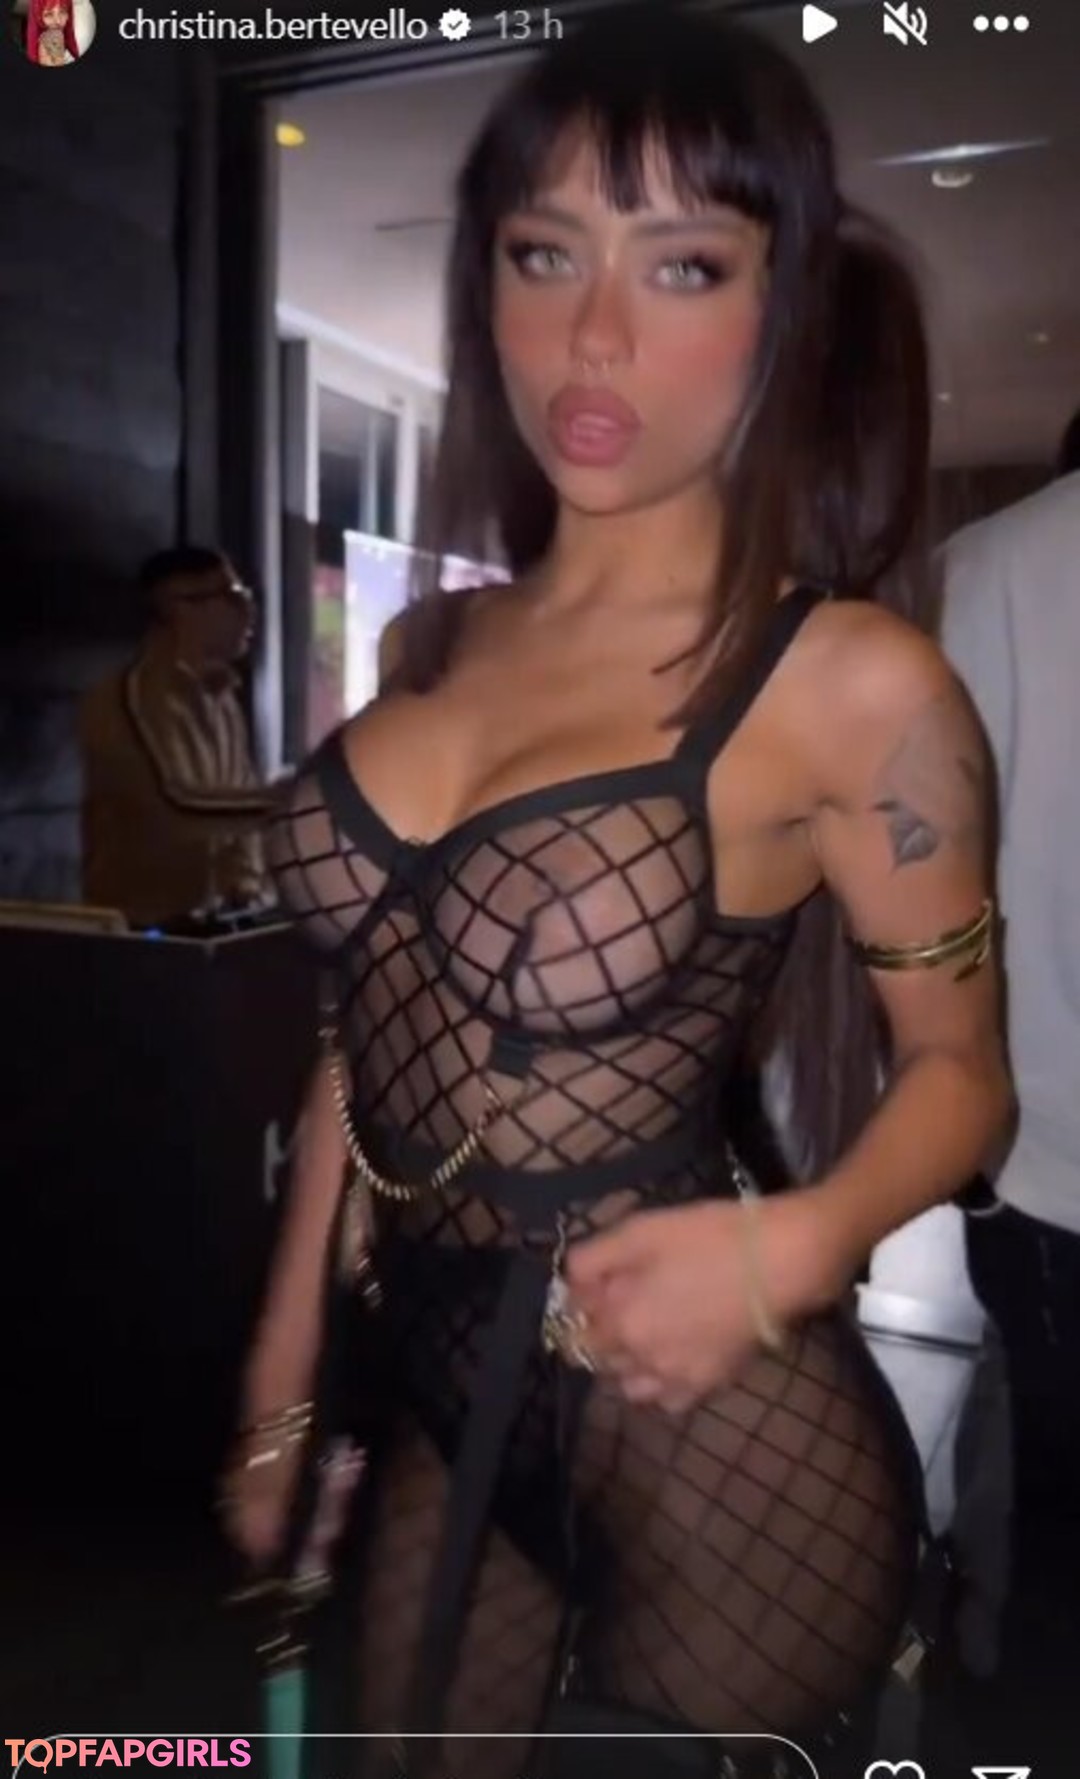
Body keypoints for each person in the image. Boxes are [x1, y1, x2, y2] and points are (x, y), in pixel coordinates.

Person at [221, 8, 1011, 1776]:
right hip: (432, 1360)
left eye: (682, 265)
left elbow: (966, 1073)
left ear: (778, 304)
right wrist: (283, 1362)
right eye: (545, 251)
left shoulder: (850, 681)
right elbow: (367, 1020)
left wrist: (795, 1242)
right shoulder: (433, 642)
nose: (594, 332)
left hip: (706, 1415)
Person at [940, 417, 1080, 1757]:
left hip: (1036, 1140)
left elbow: (941, 880)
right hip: (1032, 1143)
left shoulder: (987, 566)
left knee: (1051, 1509)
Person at [79, 545, 272, 926]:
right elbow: (172, 807)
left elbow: (238, 815)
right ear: (178, 606)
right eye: (233, 596)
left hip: (213, 928)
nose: (249, 610)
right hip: (142, 933)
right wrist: (285, 800)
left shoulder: (223, 699)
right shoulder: (128, 697)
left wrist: (248, 888)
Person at [25, 0, 79, 64]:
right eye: (49, 14)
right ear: (38, 16)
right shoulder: (49, 40)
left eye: (62, 12)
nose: (58, 21)